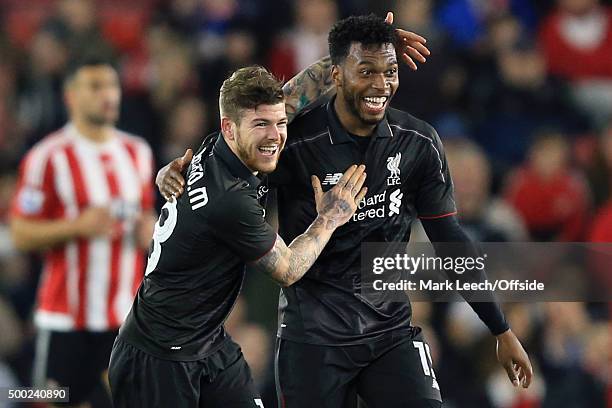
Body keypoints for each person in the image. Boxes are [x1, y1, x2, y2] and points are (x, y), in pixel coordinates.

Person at [161, 14, 532, 408]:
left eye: (390, 71)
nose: (380, 84)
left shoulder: (418, 142)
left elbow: (450, 240)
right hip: (312, 340)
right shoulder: (296, 142)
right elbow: (239, 152)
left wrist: (500, 328)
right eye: (366, 71)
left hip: (389, 332)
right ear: (335, 76)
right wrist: (185, 167)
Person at [108, 66, 369, 408]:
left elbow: (294, 95)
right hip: (158, 360)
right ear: (229, 128)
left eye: (279, 123)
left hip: (209, 343)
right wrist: (330, 218)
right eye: (261, 125)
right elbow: (288, 269)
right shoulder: (228, 199)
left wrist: (354, 56)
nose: (275, 135)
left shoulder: (216, 147)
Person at [9, 56, 156, 407]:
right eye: (95, 86)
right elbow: (19, 232)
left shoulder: (137, 152)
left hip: (124, 320)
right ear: (70, 95)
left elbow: (148, 216)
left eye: (112, 86)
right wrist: (77, 226)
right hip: (65, 319)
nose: (108, 95)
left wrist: (149, 231)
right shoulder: (47, 157)